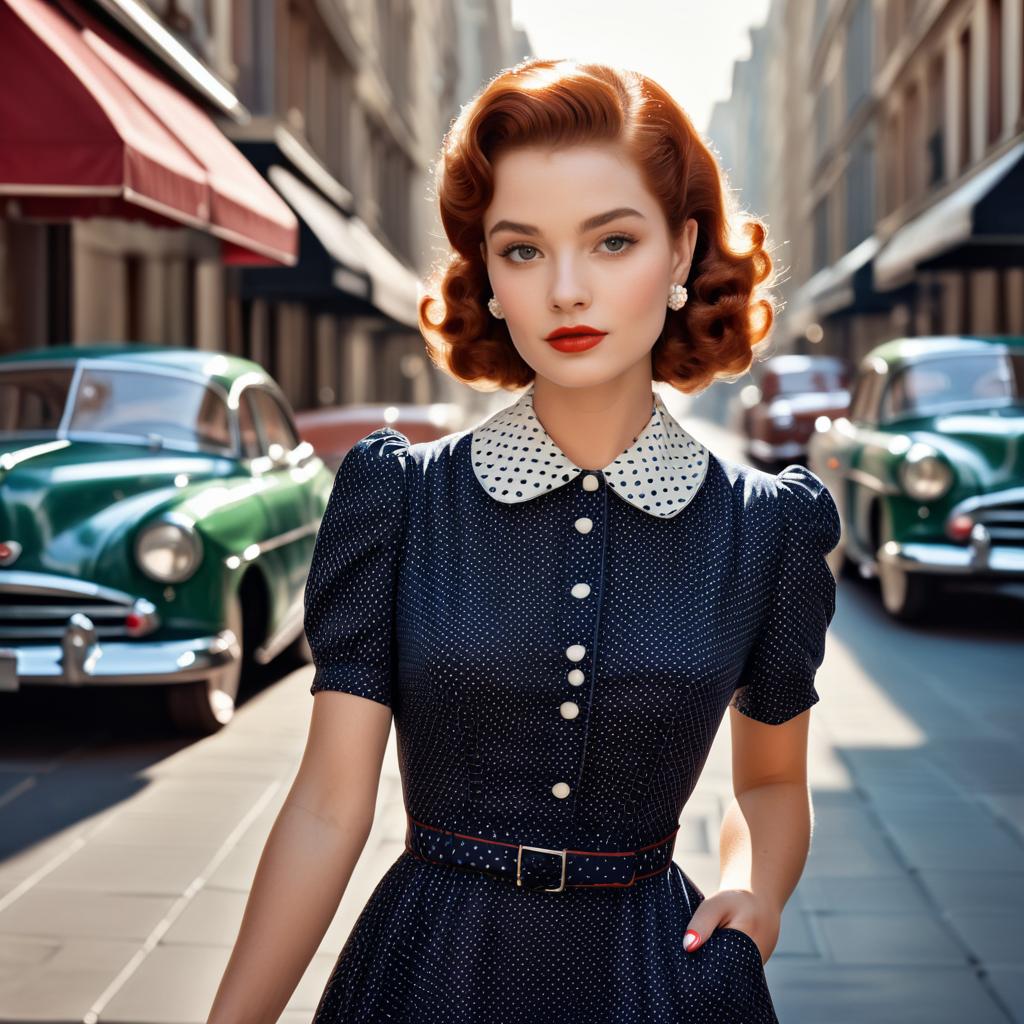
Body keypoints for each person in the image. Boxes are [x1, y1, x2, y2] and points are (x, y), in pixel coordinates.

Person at [206, 57, 841, 1024]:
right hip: (427, 971)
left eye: (613, 241)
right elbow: (329, 806)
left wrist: (756, 902)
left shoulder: (767, 528)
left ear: (680, 253)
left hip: (654, 979)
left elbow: (770, 782)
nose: (568, 290)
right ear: (489, 277)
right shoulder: (402, 499)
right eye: (524, 250)